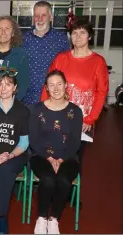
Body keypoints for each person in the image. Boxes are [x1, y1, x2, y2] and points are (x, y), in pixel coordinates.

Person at [40, 19, 109, 165]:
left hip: (83, 121)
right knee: (52, 158)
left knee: (73, 161)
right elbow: (48, 85)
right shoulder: (61, 58)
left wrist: (91, 118)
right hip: (57, 117)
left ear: (89, 36)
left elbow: (102, 91)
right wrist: (43, 112)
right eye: (74, 33)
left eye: (82, 33)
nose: (77, 36)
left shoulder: (98, 62)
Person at [30, 70, 83, 234]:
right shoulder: (36, 109)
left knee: (64, 180)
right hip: (41, 155)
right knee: (47, 179)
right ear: (46, 88)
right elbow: (34, 139)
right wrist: (50, 157)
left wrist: (60, 159)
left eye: (59, 84)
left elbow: (75, 140)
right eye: (51, 85)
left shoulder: (75, 111)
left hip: (68, 156)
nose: (56, 88)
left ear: (65, 85)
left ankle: (54, 219)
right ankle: (41, 218)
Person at [0, 72, 30, 234]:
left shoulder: (23, 111)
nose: (4, 88)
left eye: (8, 84)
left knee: (6, 172)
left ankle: (1, 217)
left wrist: (10, 155)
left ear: (15, 88)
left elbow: (24, 142)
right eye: (0, 84)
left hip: (15, 154)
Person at [22, 1, 70, 106]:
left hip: (53, 97)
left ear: (51, 17)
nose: (40, 19)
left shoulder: (61, 39)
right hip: (27, 99)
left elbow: (67, 67)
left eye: (43, 15)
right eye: (36, 16)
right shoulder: (23, 39)